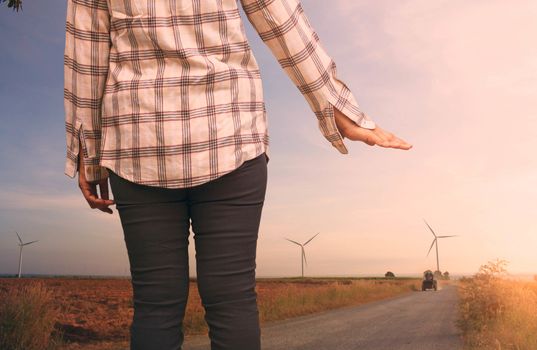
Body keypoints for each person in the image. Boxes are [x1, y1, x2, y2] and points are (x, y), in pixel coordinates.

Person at [63, 0, 412, 349]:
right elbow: (280, 19)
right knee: (232, 301)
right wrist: (338, 107)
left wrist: (88, 156)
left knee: (155, 307)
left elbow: (87, 52)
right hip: (230, 133)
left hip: (139, 143)